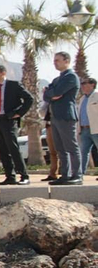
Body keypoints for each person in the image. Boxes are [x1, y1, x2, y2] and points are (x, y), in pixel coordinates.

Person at [0, 64, 32, 185]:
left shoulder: (14, 85)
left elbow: (29, 99)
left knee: (13, 148)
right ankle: (10, 176)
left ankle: (24, 176)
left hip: (9, 121)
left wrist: (19, 113)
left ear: (3, 73)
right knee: (3, 150)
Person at [45, 51, 82, 185]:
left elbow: (56, 93)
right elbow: (48, 96)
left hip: (66, 116)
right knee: (60, 148)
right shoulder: (56, 80)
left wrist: (51, 94)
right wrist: (50, 94)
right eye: (54, 60)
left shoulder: (71, 77)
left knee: (71, 146)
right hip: (54, 117)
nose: (55, 63)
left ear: (66, 61)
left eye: (58, 60)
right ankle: (65, 175)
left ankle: (77, 175)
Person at [80, 77, 96, 177]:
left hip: (95, 128)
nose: (83, 86)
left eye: (85, 83)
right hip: (84, 129)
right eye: (82, 84)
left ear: (92, 84)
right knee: (83, 152)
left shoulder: (97, 95)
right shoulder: (82, 98)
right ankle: (80, 173)